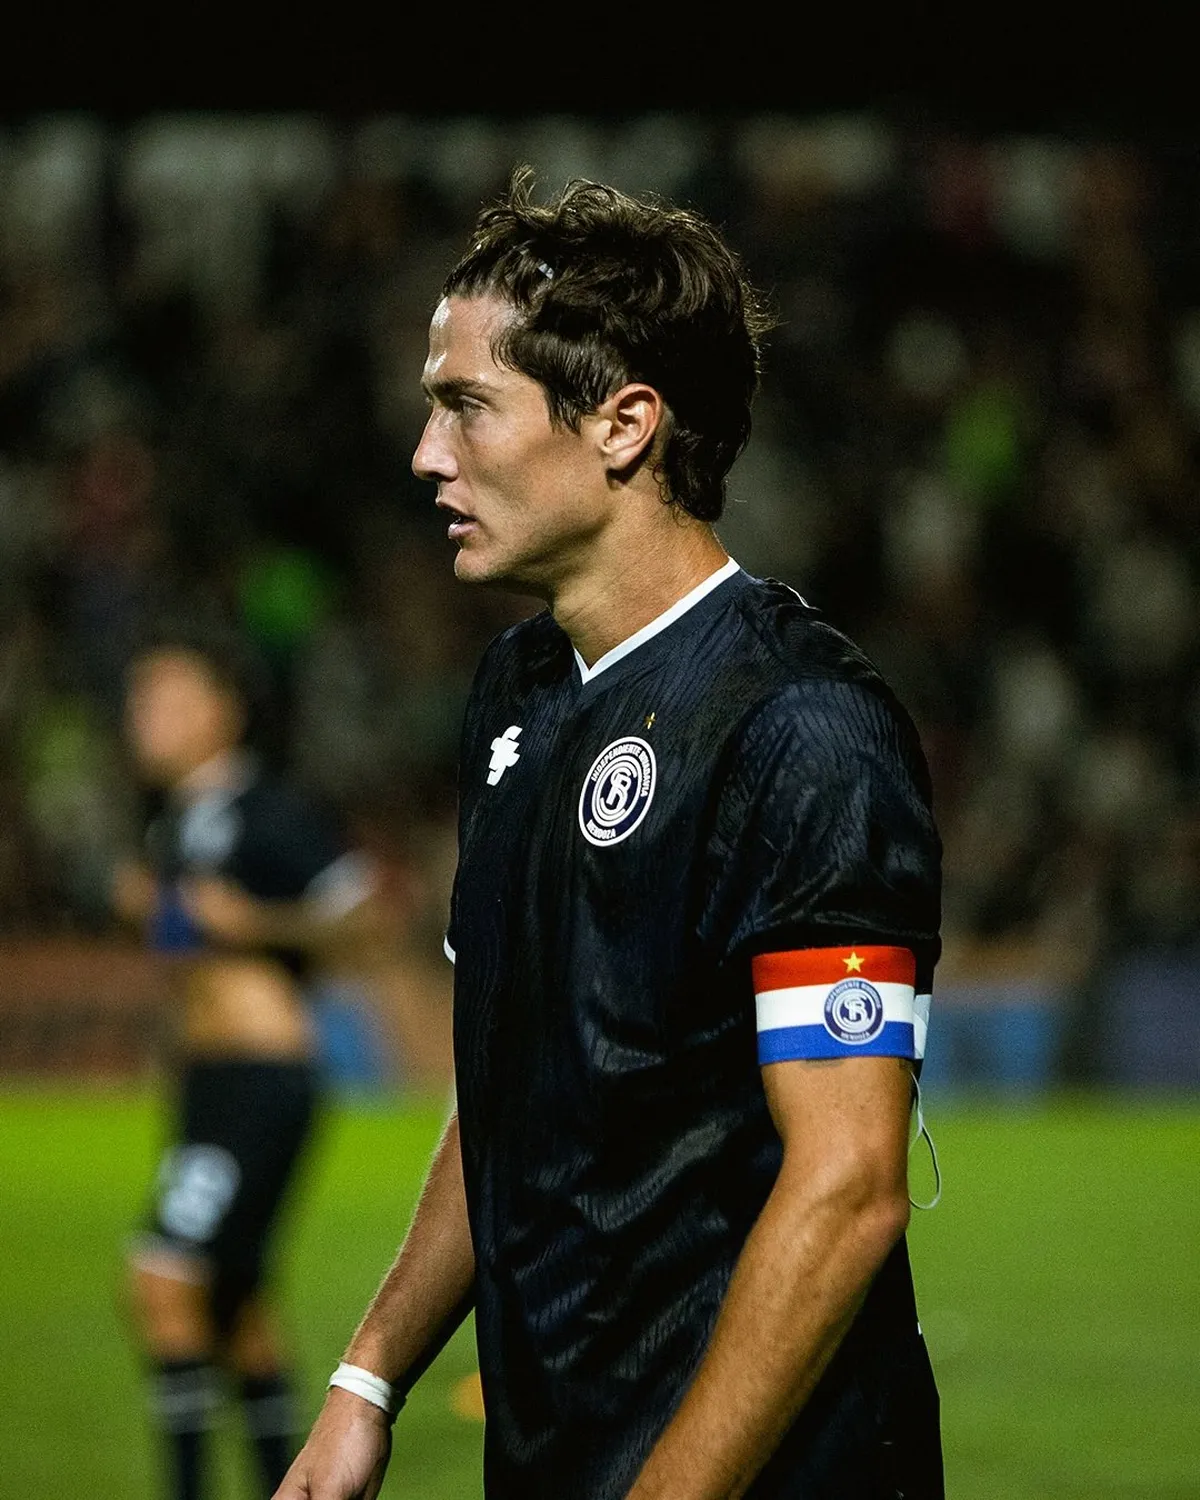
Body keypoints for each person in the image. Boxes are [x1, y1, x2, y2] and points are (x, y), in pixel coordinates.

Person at [278, 166, 945, 1499]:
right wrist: (368, 1381)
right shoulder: (517, 693)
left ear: (625, 425)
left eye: (467, 406)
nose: (425, 455)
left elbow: (852, 1183)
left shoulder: (800, 727)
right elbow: (512, 1099)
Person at [111, 619, 383, 1500]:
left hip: (262, 1080)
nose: (144, 716)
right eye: (138, 699)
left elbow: (366, 915)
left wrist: (253, 923)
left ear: (224, 712)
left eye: (168, 697)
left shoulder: (265, 810)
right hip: (209, 1082)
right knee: (237, 1307)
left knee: (160, 1279)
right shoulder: (177, 825)